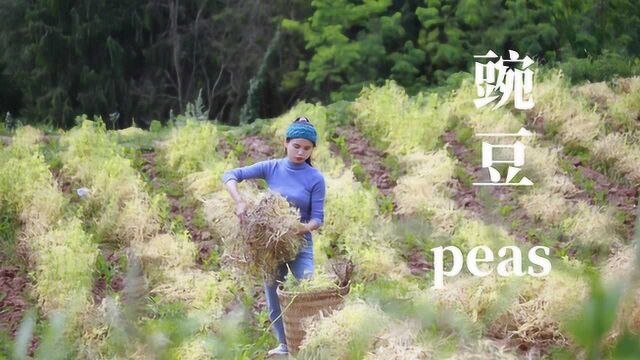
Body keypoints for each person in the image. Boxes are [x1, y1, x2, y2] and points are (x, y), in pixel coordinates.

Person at [221, 116, 326, 356]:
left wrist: (299, 228)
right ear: (286, 143)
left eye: (307, 148)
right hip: (271, 245)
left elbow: (317, 219)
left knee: (306, 289)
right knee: (273, 297)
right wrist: (239, 202)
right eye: (296, 146)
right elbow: (229, 174)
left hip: (299, 243)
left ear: (312, 149)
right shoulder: (271, 167)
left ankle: (311, 342)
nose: (301, 152)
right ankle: (285, 346)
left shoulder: (315, 178)